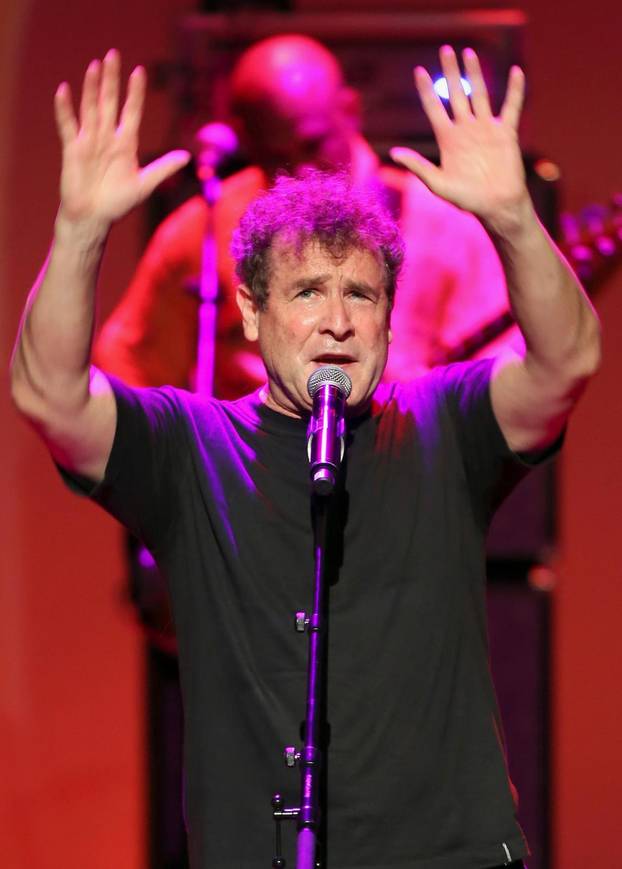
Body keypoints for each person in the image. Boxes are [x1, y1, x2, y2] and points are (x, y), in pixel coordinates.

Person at [11, 45, 600, 869]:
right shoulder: (194, 448)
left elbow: (565, 363)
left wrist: (510, 218)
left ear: (389, 316)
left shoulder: (443, 425)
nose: (337, 321)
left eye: (360, 293)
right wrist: (78, 233)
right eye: (306, 293)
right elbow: (49, 396)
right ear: (251, 313)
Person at [93, 34, 515, 397]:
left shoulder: (441, 223)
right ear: (247, 142)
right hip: (253, 481)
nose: (301, 173)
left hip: (407, 476)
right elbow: (129, 363)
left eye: (313, 145)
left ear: (349, 110)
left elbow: (507, 379)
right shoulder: (205, 229)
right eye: (275, 157)